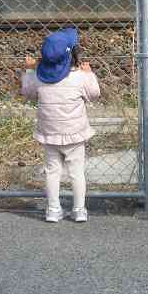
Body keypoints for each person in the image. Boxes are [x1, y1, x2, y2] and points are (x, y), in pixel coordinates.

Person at [21, 27, 100, 223]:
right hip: (74, 134)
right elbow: (94, 94)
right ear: (72, 55)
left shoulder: (39, 78)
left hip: (49, 134)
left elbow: (28, 93)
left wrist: (30, 71)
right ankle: (79, 209)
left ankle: (53, 209)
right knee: (76, 172)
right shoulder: (79, 77)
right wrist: (89, 74)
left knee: (52, 171)